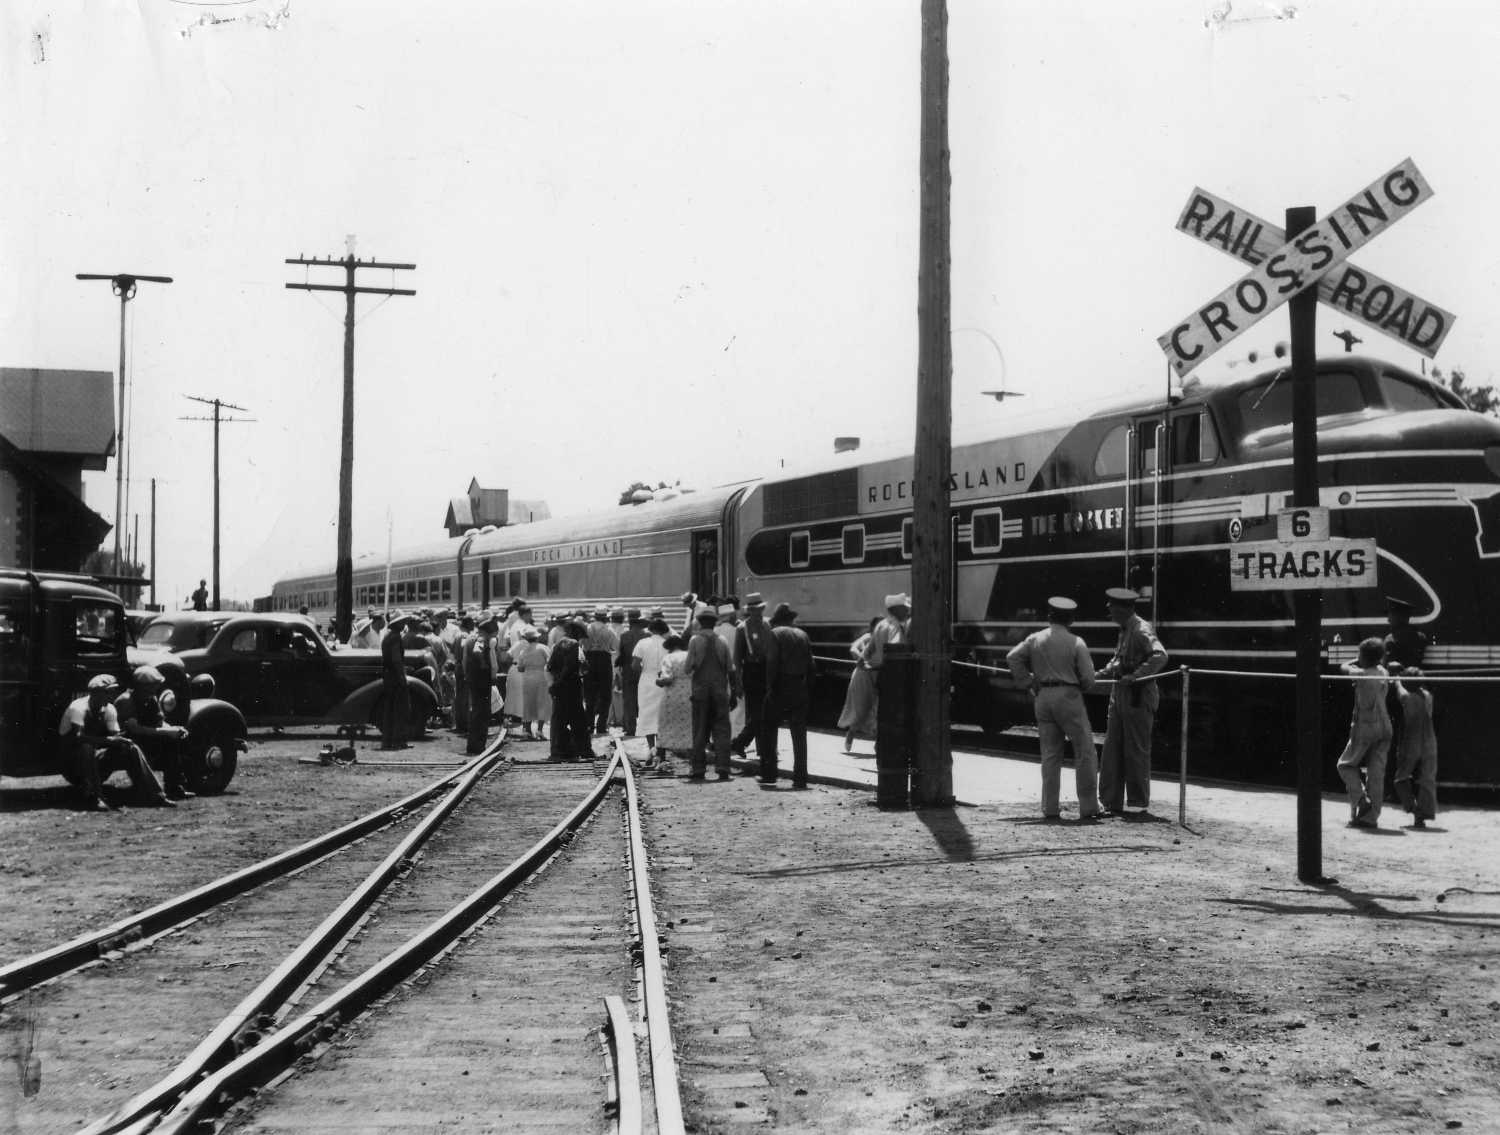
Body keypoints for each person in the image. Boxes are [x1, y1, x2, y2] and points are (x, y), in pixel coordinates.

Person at [1006, 597, 1101, 821]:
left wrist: (1028, 681)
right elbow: (1088, 678)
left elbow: (1012, 657)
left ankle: (1050, 808)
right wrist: (1083, 685)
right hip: (1069, 696)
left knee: (1050, 755)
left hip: (1043, 697)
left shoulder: (1035, 639)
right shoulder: (1076, 641)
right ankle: (1089, 808)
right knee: (1085, 750)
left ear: (1050, 617)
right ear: (1071, 619)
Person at [1096, 587, 1168, 817]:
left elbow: (1160, 655)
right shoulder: (1125, 629)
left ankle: (1137, 802)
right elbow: (1119, 661)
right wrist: (1099, 674)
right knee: (1112, 749)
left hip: (1138, 696)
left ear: (1121, 609)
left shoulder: (1140, 629)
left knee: (1135, 749)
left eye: (1111, 610)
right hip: (1120, 695)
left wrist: (1136, 675)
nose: (1109, 614)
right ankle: (1110, 801)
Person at [58, 674, 174, 810]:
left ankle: (155, 795)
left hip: (94, 762)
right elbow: (78, 737)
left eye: (112, 692)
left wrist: (123, 739)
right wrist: (111, 740)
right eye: (107, 692)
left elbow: (114, 736)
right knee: (86, 747)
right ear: (95, 693)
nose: (111, 695)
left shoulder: (109, 709)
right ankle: (94, 797)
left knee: (130, 748)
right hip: (72, 763)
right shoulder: (78, 708)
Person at [1337, 636, 1392, 828]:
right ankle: (1370, 819)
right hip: (1385, 727)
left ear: (1364, 657)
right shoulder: (1383, 671)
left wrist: (1355, 660)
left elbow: (1343, 667)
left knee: (1345, 765)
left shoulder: (1361, 673)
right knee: (1376, 774)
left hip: (1366, 727)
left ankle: (1361, 801)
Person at [116, 665, 193, 800]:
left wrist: (174, 729)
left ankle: (174, 787)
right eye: (151, 685)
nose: (155, 688)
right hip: (126, 740)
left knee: (173, 741)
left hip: (145, 737)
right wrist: (165, 732)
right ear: (141, 686)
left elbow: (159, 722)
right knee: (165, 738)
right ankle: (148, 789)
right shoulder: (126, 701)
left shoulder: (151, 699)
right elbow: (134, 729)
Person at [762, 603, 816, 788]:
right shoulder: (803, 635)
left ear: (777, 620)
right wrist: (808, 686)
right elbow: (811, 665)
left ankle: (769, 774)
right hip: (799, 685)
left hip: (780, 684)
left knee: (769, 729)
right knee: (799, 733)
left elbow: (772, 661)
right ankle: (800, 777)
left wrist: (769, 686)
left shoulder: (775, 634)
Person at [684, 608, 737, 780]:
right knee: (722, 730)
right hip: (720, 692)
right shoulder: (722, 641)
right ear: (715, 624)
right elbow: (730, 668)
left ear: (699, 623)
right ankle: (723, 767)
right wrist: (734, 691)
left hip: (700, 692)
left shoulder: (694, 640)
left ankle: (698, 768)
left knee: (700, 730)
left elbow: (687, 668)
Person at [1390, 665, 1438, 828]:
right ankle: (1424, 813)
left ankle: (1414, 809)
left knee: (1400, 778)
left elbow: (1399, 688)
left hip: (1413, 740)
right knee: (1427, 779)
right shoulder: (1428, 696)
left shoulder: (1406, 698)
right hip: (1429, 739)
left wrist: (1397, 678)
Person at [731, 594, 775, 761]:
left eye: (758, 609)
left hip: (767, 669)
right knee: (756, 713)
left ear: (763, 608)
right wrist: (738, 682)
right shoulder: (743, 628)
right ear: (749, 611)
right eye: (752, 610)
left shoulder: (768, 624)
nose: (756, 612)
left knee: (768, 711)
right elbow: (737, 657)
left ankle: (748, 744)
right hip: (751, 671)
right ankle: (748, 744)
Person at [547, 620, 591, 761]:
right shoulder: (574, 644)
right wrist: (562, 680)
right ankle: (582, 750)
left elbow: (551, 666)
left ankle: (557, 751)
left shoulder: (558, 644)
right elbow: (571, 665)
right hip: (571, 686)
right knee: (578, 719)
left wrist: (555, 682)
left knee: (558, 719)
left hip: (558, 687)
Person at [837, 616, 881, 754]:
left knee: (878, 709)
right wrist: (861, 659)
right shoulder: (868, 637)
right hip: (863, 674)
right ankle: (851, 732)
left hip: (879, 674)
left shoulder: (885, 639)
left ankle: (878, 744)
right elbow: (853, 648)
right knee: (861, 707)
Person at [653, 633, 694, 776]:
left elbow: (667, 678)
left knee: (665, 725)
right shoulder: (689, 655)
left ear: (669, 648)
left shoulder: (668, 658)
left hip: (672, 695)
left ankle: (661, 759)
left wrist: (658, 681)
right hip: (690, 694)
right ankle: (694, 763)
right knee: (689, 726)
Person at [632, 617, 671, 761]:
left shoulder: (642, 643)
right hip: (663, 679)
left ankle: (651, 748)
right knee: (662, 715)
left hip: (647, 680)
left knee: (647, 713)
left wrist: (645, 671)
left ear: (650, 629)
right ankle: (661, 751)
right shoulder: (667, 644)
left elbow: (635, 665)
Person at [464, 615, 499, 755]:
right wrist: (488, 670)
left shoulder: (470, 639)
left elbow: (466, 658)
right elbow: (479, 653)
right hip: (482, 680)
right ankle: (477, 746)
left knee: (478, 711)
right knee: (482, 713)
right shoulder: (482, 640)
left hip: (474, 679)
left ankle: (474, 745)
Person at [582, 607, 620, 734]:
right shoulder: (609, 630)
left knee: (589, 694)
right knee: (605, 695)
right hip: (604, 660)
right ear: (606, 617)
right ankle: (601, 725)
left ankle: (588, 724)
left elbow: (581, 645)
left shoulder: (587, 629)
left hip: (589, 660)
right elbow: (616, 647)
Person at [511, 626, 552, 741]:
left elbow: (520, 668)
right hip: (541, 676)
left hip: (528, 678)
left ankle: (527, 730)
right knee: (542, 702)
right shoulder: (543, 648)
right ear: (537, 638)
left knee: (528, 703)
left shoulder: (523, 651)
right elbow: (550, 663)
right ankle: (539, 730)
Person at [380, 612, 413, 750]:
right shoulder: (395, 638)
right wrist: (402, 677)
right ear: (397, 624)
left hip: (388, 676)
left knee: (390, 709)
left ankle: (388, 740)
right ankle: (399, 740)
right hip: (395, 677)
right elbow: (396, 660)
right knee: (400, 709)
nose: (404, 624)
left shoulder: (388, 637)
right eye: (402, 622)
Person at [616, 609, 647, 737]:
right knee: (644, 701)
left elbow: (621, 656)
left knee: (629, 701)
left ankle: (630, 728)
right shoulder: (647, 636)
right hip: (643, 672)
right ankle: (645, 728)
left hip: (628, 672)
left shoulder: (624, 636)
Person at [864, 593, 911, 672]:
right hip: (895, 672)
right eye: (905, 607)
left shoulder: (880, 625)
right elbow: (895, 648)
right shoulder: (895, 626)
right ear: (895, 609)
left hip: (882, 673)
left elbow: (867, 653)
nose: (908, 610)